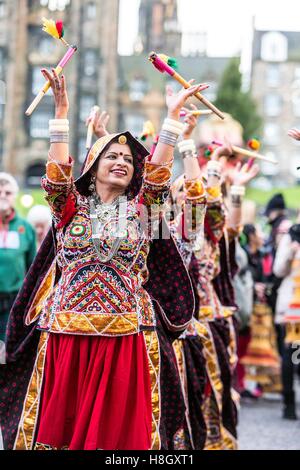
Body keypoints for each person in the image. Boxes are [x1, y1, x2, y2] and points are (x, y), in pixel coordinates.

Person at [0, 68, 208, 450]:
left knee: (113, 435)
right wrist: (60, 112)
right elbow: (58, 175)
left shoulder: (142, 212)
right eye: (111, 156)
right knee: (64, 429)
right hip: (66, 332)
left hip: (123, 334)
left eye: (128, 159)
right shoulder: (70, 209)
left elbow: (160, 179)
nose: (122, 162)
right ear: (93, 166)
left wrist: (172, 121)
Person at [0, 173, 36, 342]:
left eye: (7, 193)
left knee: (6, 345)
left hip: (14, 299)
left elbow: (32, 267)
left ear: (14, 195)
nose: (3, 196)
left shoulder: (25, 228)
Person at [273, 222, 300, 419]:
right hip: (293, 309)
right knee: (292, 355)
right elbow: (278, 270)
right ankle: (288, 402)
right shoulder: (290, 237)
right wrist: (291, 251)